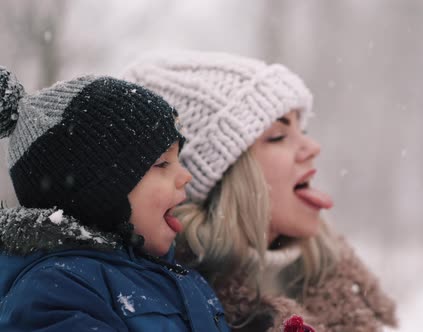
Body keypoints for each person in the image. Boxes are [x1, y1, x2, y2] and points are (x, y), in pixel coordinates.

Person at [123, 51, 397, 331]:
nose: (313, 147)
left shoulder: (343, 282)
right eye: (278, 136)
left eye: (303, 129)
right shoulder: (183, 312)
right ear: (222, 177)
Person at [0, 67, 230, 331]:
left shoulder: (186, 279)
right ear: (97, 194)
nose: (185, 176)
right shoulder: (59, 289)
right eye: (162, 164)